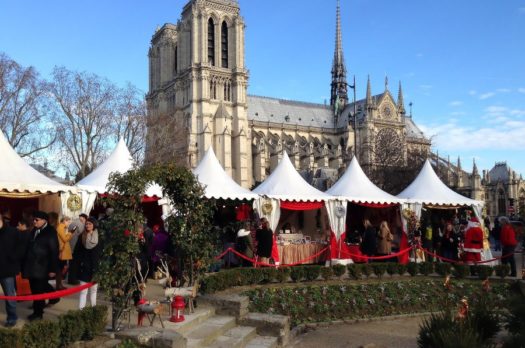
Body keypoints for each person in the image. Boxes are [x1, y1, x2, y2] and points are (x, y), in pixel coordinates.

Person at [22, 211, 60, 321]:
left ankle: (38, 314)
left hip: (42, 266)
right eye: (33, 219)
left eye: (36, 220)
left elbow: (54, 251)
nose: (34, 221)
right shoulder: (34, 230)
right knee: (36, 288)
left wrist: (53, 269)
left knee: (38, 290)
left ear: (44, 220)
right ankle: (51, 298)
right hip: (31, 266)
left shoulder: (50, 232)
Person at [75, 217, 101, 309]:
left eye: (90, 224)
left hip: (95, 267)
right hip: (84, 267)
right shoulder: (82, 236)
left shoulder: (99, 236)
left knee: (94, 291)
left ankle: (93, 310)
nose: (88, 225)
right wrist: (79, 264)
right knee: (83, 291)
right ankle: (81, 311)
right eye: (86, 224)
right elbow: (77, 252)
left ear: (94, 225)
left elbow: (101, 251)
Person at [0, 214, 20, 327]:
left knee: (9, 295)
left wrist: (14, 258)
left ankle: (12, 317)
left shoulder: (12, 232)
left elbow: (21, 246)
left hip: (7, 270)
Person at [67, 213, 88, 285]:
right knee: (75, 264)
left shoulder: (72, 223)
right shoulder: (80, 224)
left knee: (71, 263)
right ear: (84, 218)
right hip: (76, 246)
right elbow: (81, 235)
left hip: (70, 245)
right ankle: (73, 279)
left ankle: (70, 279)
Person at [56, 216, 73, 290]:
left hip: (63, 251)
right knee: (60, 268)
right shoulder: (61, 227)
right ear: (64, 221)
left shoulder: (62, 227)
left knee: (62, 268)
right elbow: (65, 239)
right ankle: (59, 285)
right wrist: (70, 233)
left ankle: (59, 285)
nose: (69, 223)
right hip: (62, 251)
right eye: (68, 222)